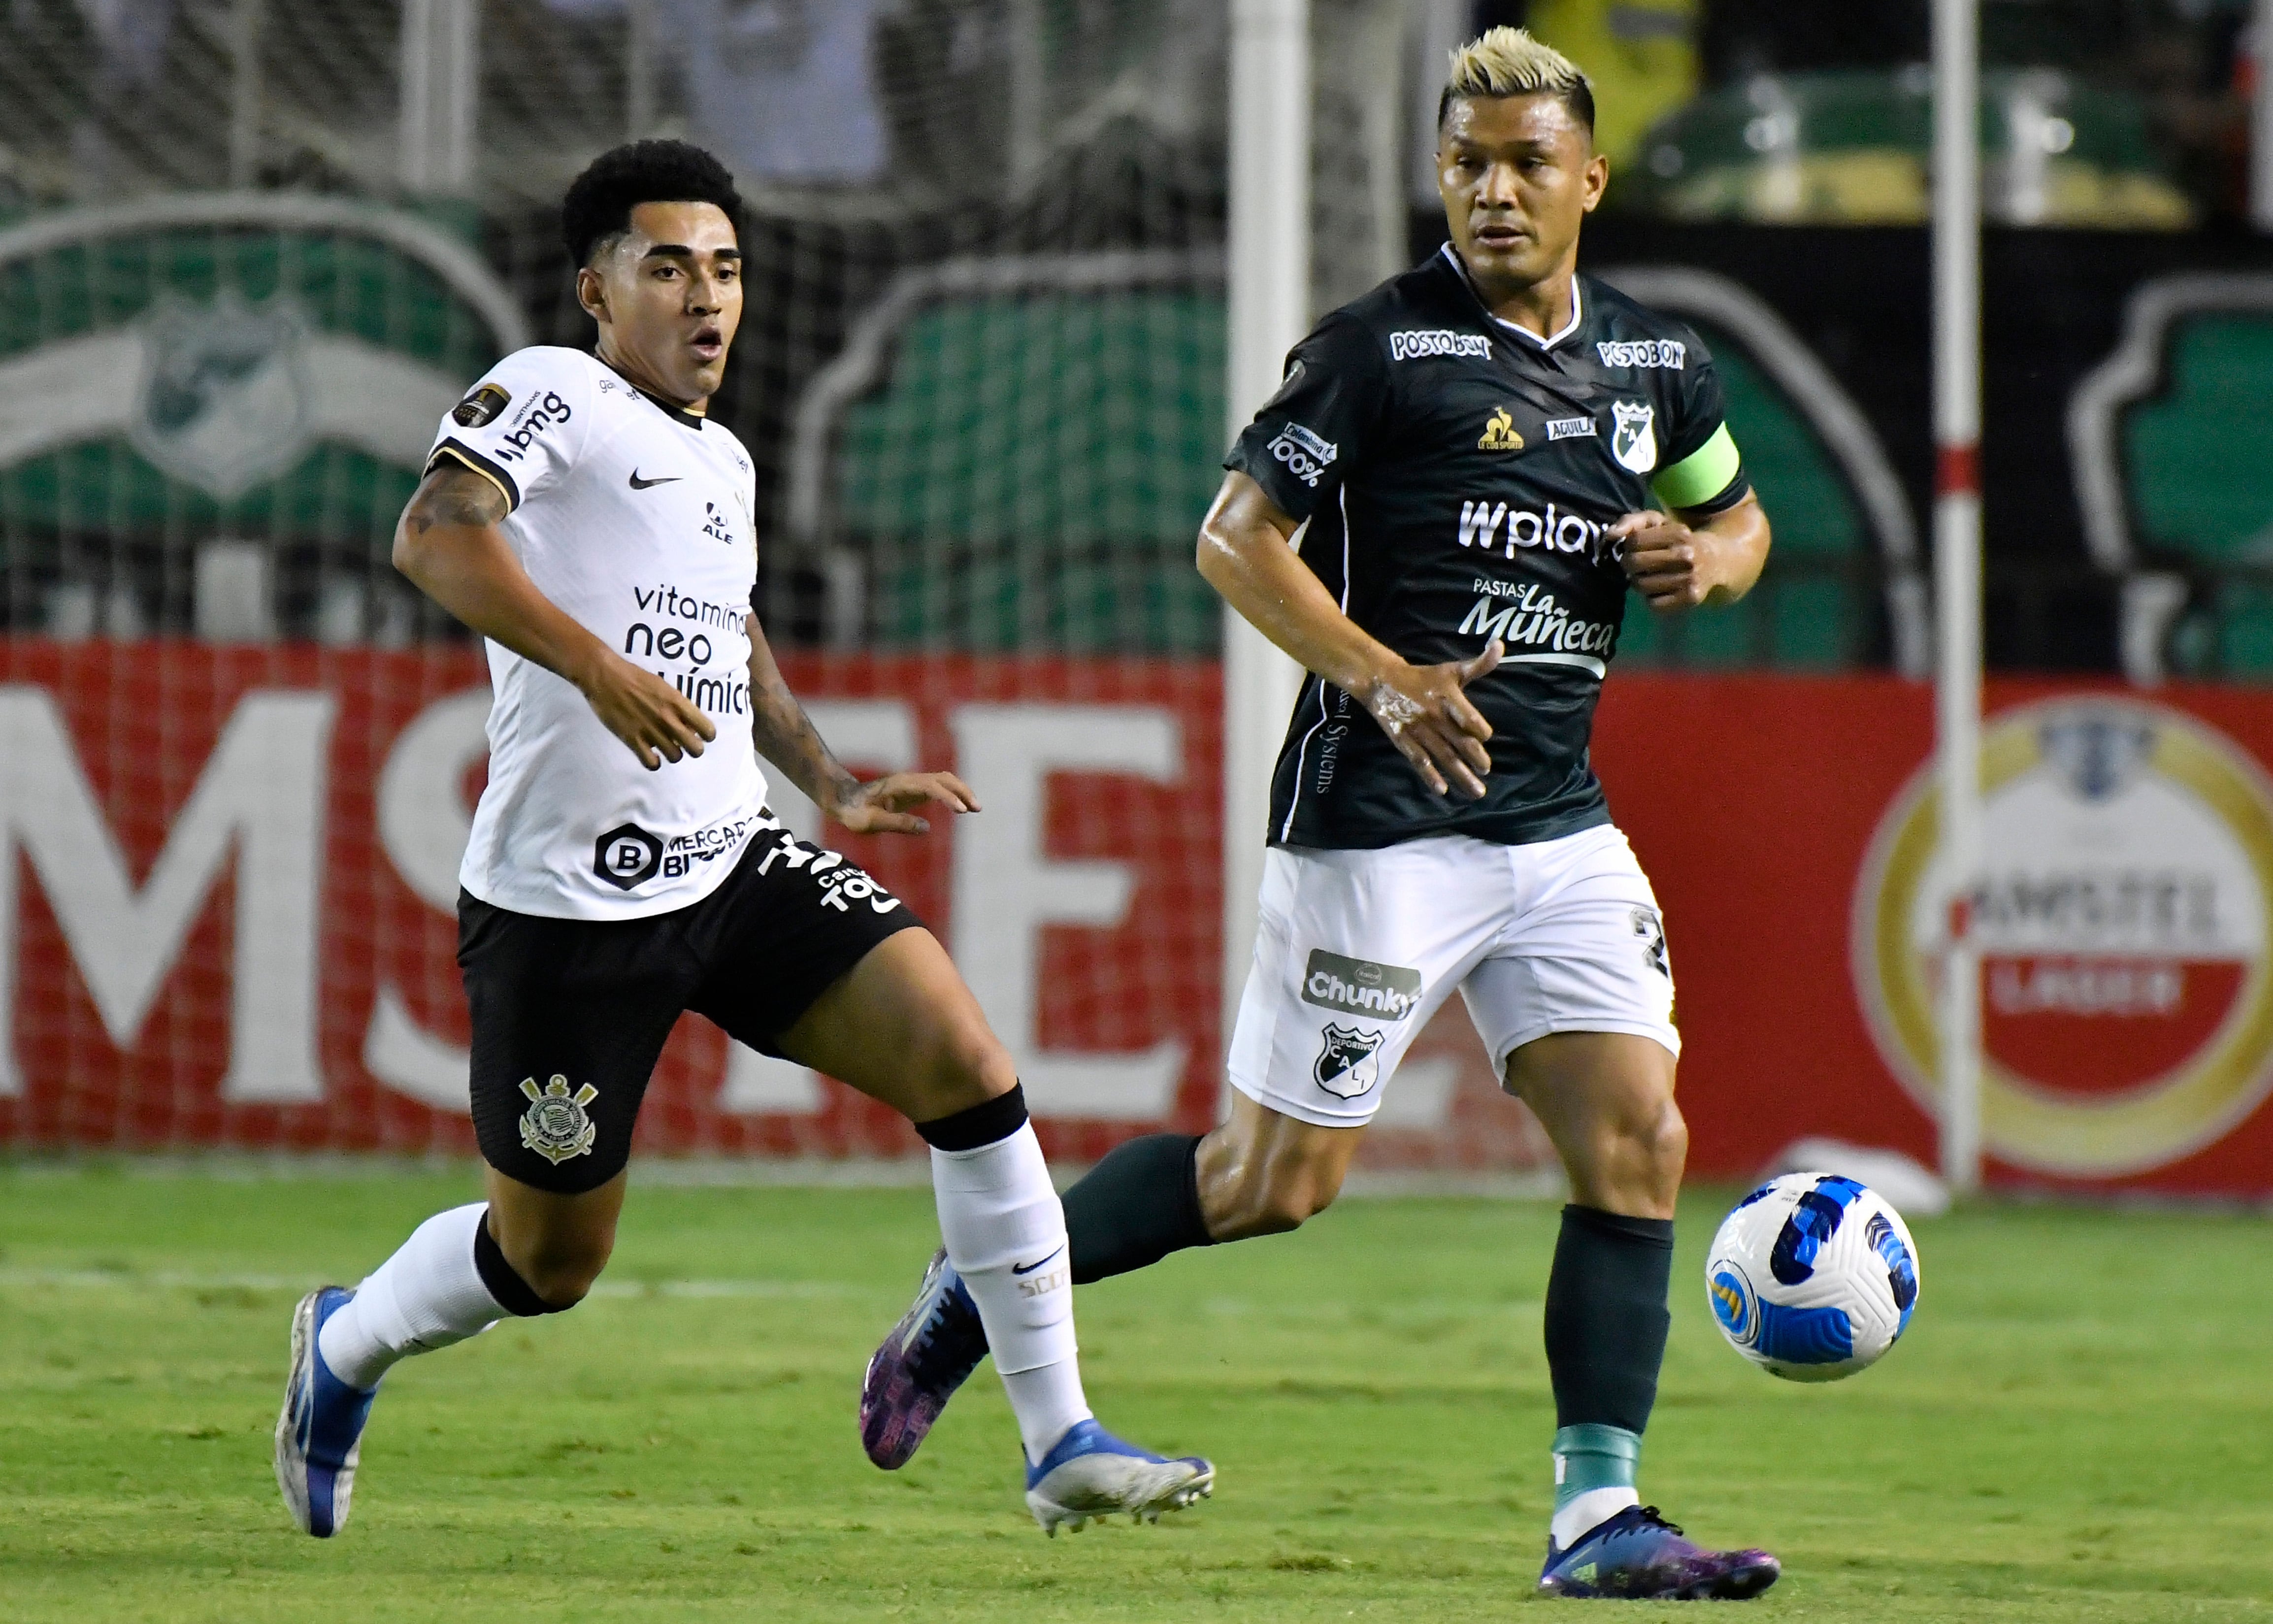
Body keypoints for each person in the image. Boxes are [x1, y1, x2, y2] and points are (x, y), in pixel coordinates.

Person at [858, 29, 1781, 1601]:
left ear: (1591, 179)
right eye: (1467, 164)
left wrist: (1713, 562)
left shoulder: (1655, 365)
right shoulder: (1378, 349)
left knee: (1640, 1140)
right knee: (1269, 1184)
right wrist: (1384, 678)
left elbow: (1739, 517)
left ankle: (1597, 1515)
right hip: (1379, 825)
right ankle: (980, 1283)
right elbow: (1234, 540)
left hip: (1557, 827)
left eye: (1527, 164)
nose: (1495, 191)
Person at [273, 138, 1212, 1542]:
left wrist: (827, 778)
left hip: (735, 859)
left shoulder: (722, 455)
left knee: (969, 1070)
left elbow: (728, 623)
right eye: (668, 268)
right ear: (595, 288)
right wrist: (595, 668)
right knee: (546, 1262)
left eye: (725, 269)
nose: (706, 297)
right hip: (570, 909)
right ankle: (345, 1344)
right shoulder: (555, 391)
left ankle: (1058, 1436)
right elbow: (434, 533)